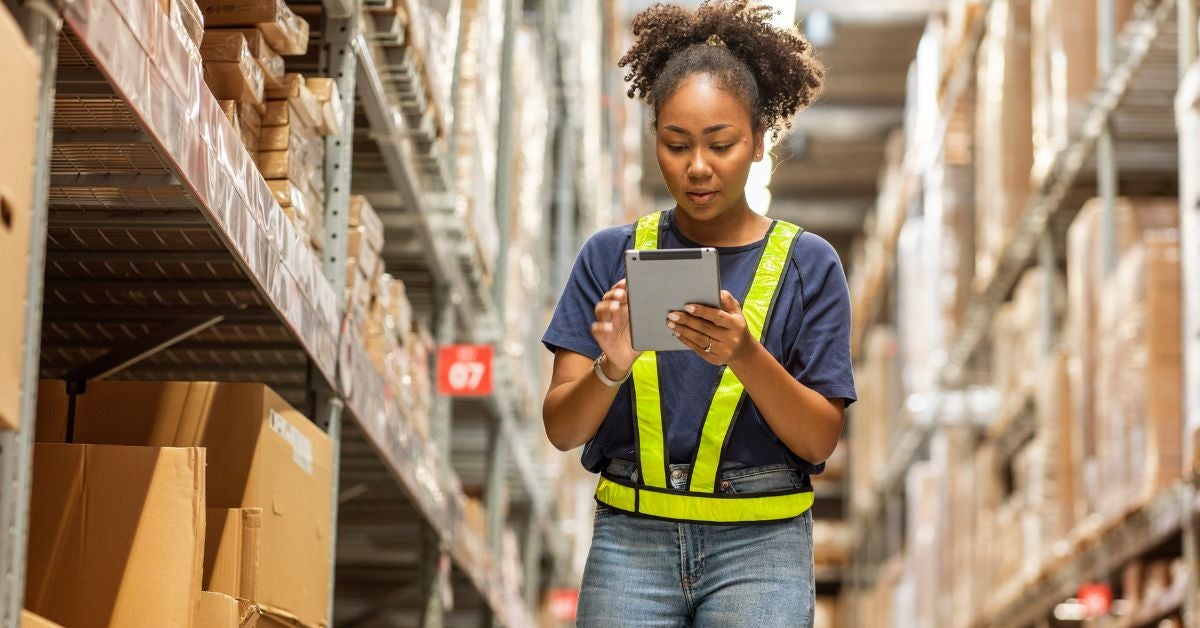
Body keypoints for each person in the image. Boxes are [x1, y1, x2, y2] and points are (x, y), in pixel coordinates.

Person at [540, 1, 855, 626]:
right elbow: (561, 428)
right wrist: (612, 366)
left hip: (761, 548)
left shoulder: (809, 265)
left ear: (761, 140)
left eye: (721, 143)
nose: (698, 167)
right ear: (654, 135)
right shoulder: (609, 256)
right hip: (631, 540)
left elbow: (819, 438)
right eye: (676, 144)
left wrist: (745, 354)